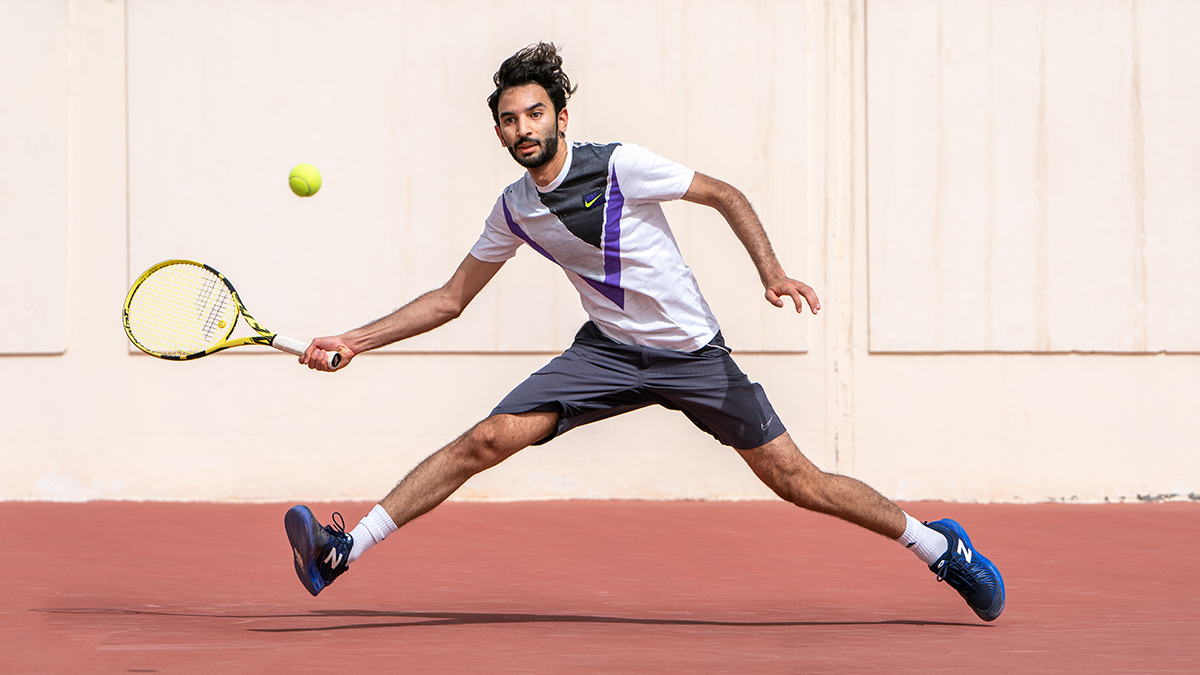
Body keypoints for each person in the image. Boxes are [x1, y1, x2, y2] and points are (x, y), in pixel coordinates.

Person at [284, 42, 1004, 622]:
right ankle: (341, 551)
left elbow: (725, 193)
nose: (523, 129)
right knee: (486, 438)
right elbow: (450, 298)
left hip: (691, 355)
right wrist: (357, 338)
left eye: (535, 113)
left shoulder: (619, 165)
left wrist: (771, 270)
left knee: (799, 480)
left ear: (562, 117)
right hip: (606, 353)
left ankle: (940, 546)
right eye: (509, 119)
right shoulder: (513, 209)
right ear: (499, 131)